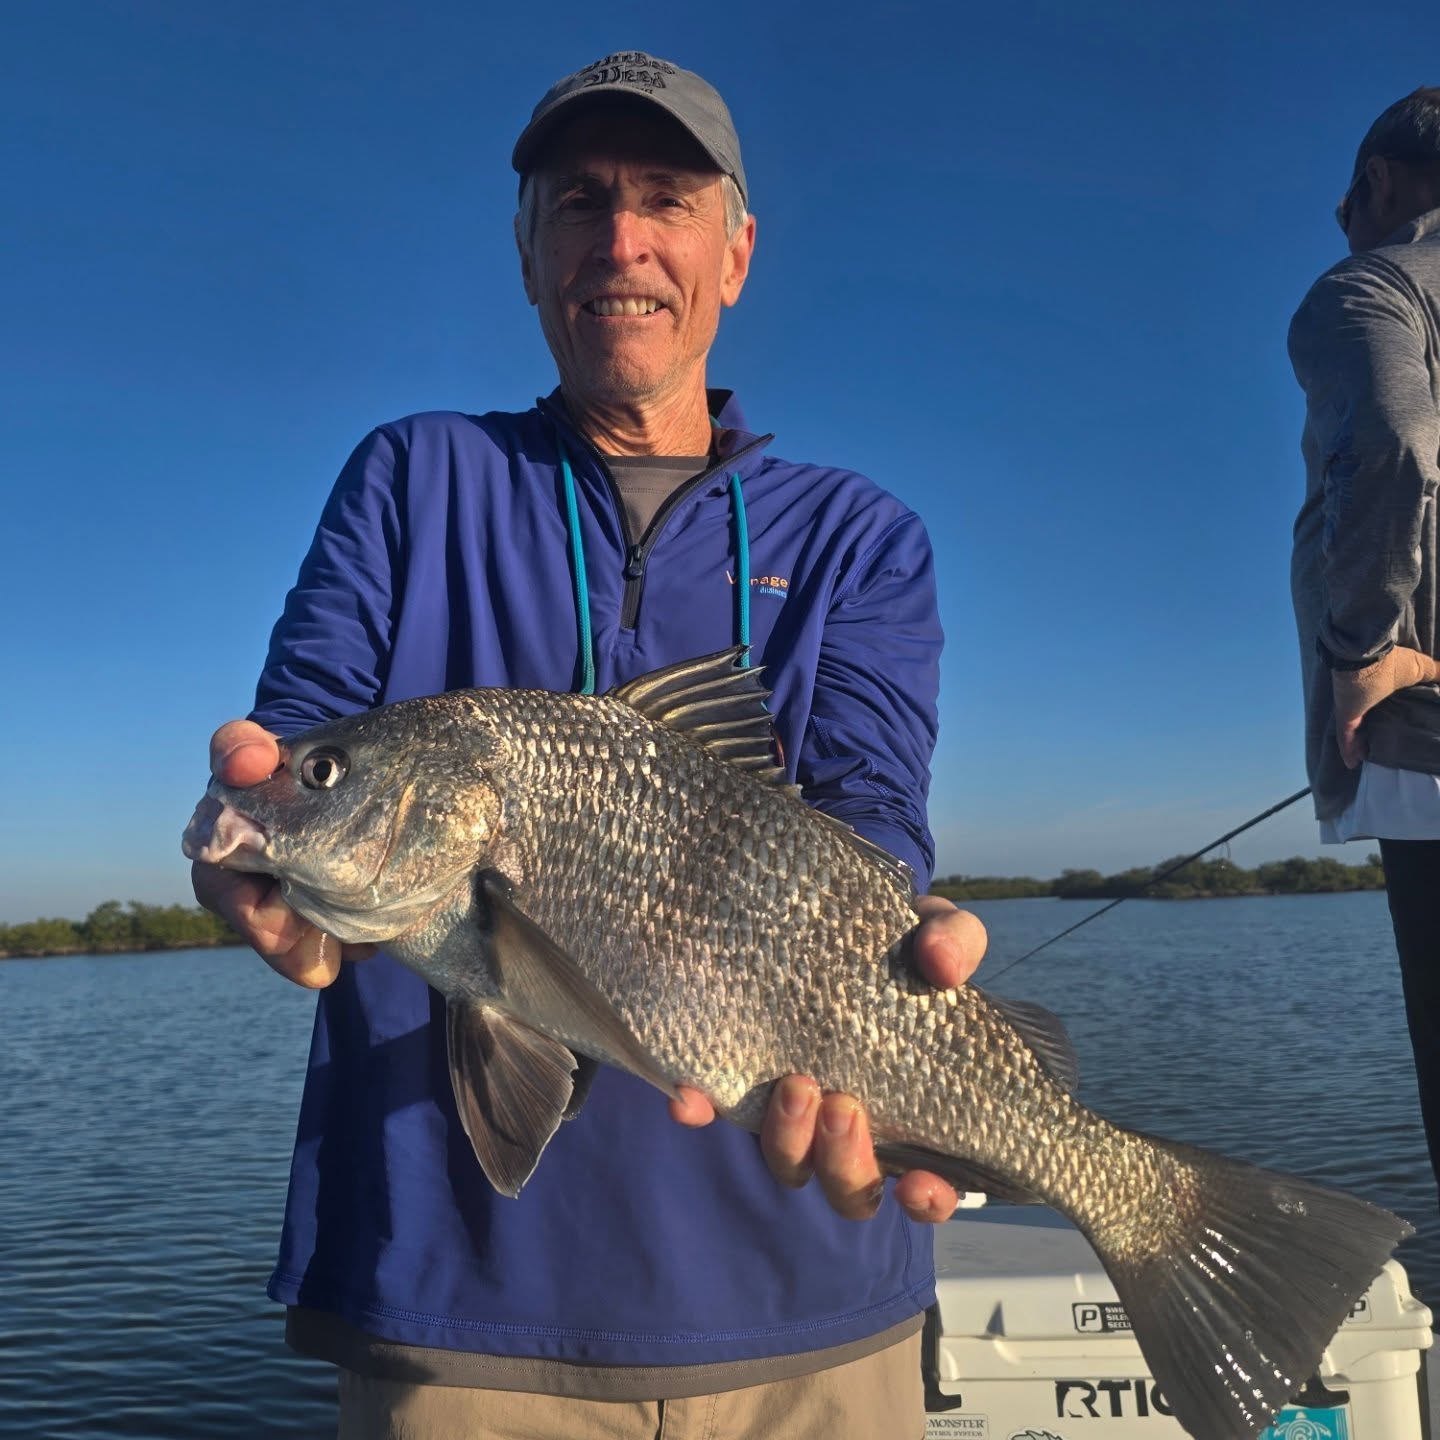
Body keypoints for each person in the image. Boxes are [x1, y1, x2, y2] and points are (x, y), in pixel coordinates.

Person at [192, 50, 988, 1439]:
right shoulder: (412, 476)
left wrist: (903, 948)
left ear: (736, 253)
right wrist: (247, 843)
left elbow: (869, 817)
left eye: (667, 199)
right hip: (458, 1312)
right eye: (578, 203)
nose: (621, 241)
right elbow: (290, 741)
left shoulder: (862, 535)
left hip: (813, 1301)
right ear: (527, 254)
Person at [1289, 86, 1440, 1199]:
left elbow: (1390, 438)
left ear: (1378, 185)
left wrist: (1360, 646)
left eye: (1348, 210)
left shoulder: (1370, 287)